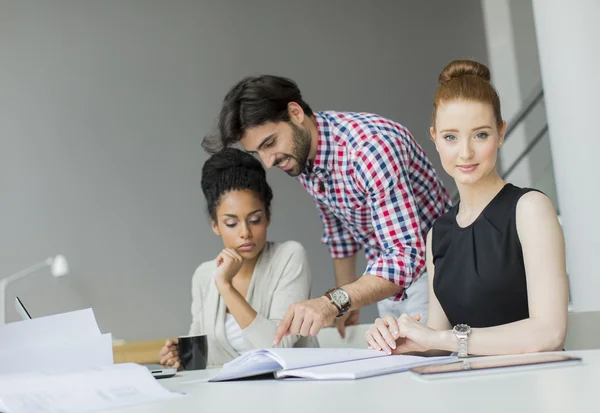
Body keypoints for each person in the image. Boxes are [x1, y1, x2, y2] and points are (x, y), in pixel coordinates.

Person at [203, 75, 451, 343]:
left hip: (440, 274)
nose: (268, 162)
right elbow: (340, 235)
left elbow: (406, 255)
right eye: (257, 153)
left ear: (295, 113)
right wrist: (345, 304)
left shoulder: (368, 150)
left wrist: (335, 301)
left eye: (270, 143)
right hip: (389, 281)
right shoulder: (303, 155)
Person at [365, 60, 568, 356]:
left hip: (535, 389)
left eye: (480, 134)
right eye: (450, 137)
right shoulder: (438, 233)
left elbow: (549, 333)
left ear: (501, 133)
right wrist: (398, 338)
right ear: (435, 139)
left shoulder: (530, 209)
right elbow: (436, 335)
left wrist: (446, 340)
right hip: (466, 391)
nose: (465, 152)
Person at [159, 148, 317, 369]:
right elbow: (201, 357)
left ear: (268, 217)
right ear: (215, 225)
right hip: (229, 400)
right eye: (231, 224)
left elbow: (277, 347)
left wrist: (225, 287)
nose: (245, 232)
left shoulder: (289, 256)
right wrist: (181, 358)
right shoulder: (204, 275)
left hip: (292, 393)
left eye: (254, 219)